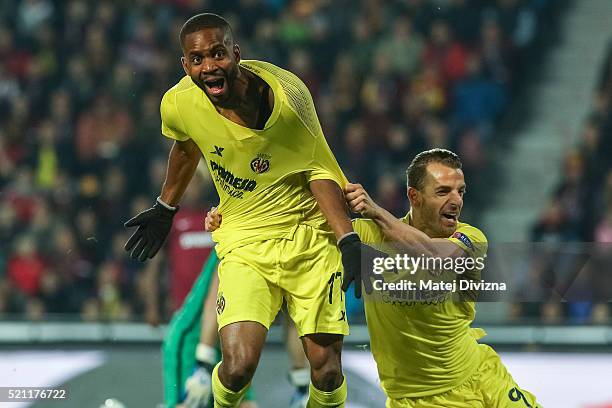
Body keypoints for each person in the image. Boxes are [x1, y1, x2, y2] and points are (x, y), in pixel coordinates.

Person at [124, 13, 373, 408]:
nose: (209, 67)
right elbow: (188, 146)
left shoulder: (287, 100)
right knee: (238, 366)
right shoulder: (178, 105)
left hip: (308, 235)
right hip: (244, 240)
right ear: (185, 65)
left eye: (218, 54)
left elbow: (320, 172)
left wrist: (346, 238)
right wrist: (165, 206)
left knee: (326, 371)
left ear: (236, 53)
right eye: (198, 59)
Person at [345, 148, 541, 408]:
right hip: (416, 400)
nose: (456, 200)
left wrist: (378, 212)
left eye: (460, 191)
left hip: (480, 376)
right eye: (443, 191)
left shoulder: (470, 238)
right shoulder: (366, 236)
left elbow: (434, 257)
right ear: (414, 197)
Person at [162, 245, 310, 408]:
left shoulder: (292, 243)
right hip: (195, 340)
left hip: (233, 345)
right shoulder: (240, 233)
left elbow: (294, 315)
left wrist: (302, 385)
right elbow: (216, 298)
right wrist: (202, 364)